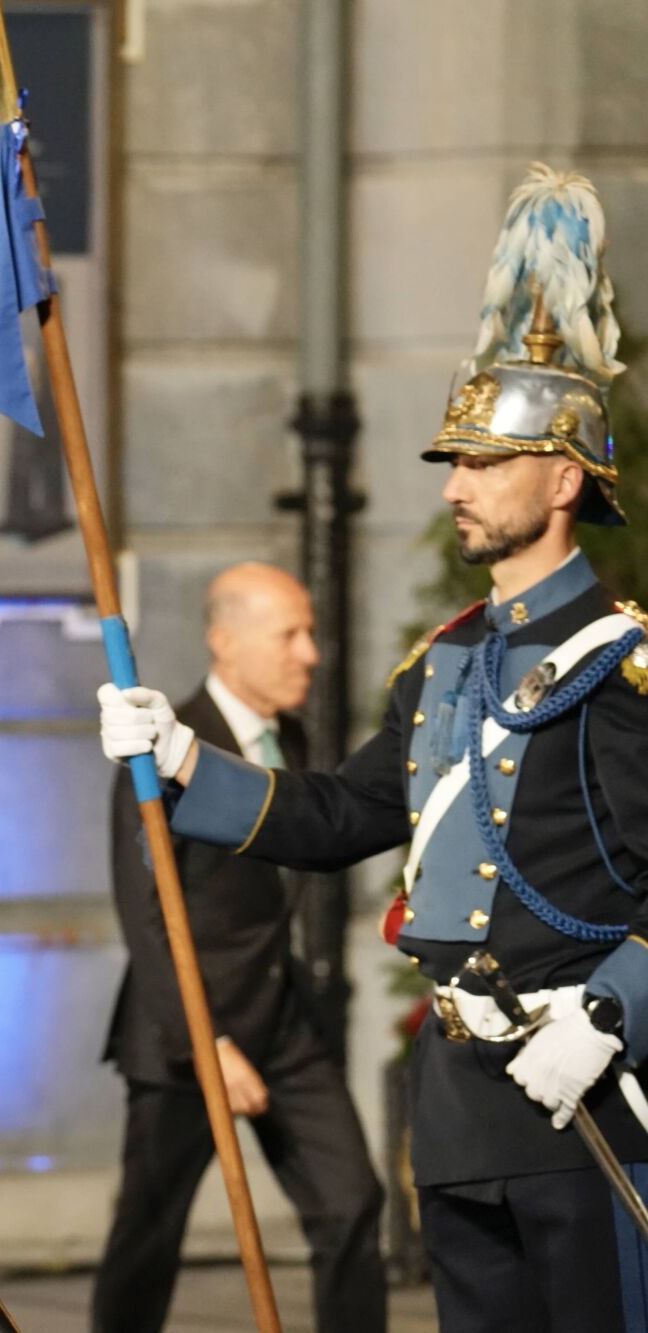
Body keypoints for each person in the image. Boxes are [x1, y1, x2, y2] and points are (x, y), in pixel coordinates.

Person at [98, 164, 648, 1331]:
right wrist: (186, 763)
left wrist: (611, 1012)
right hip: (456, 1106)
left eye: (481, 463)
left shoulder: (622, 668)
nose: (452, 486)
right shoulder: (441, 665)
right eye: (452, 461)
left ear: (560, 479)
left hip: (588, 1094)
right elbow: (342, 815)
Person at [91, 563, 385, 1333]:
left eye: (311, 632)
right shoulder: (158, 738)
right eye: (289, 633)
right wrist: (206, 1039)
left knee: (352, 1200)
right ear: (225, 641)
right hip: (186, 1027)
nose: (311, 653)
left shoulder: (292, 735)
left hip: (281, 1018)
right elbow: (144, 909)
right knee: (146, 1239)